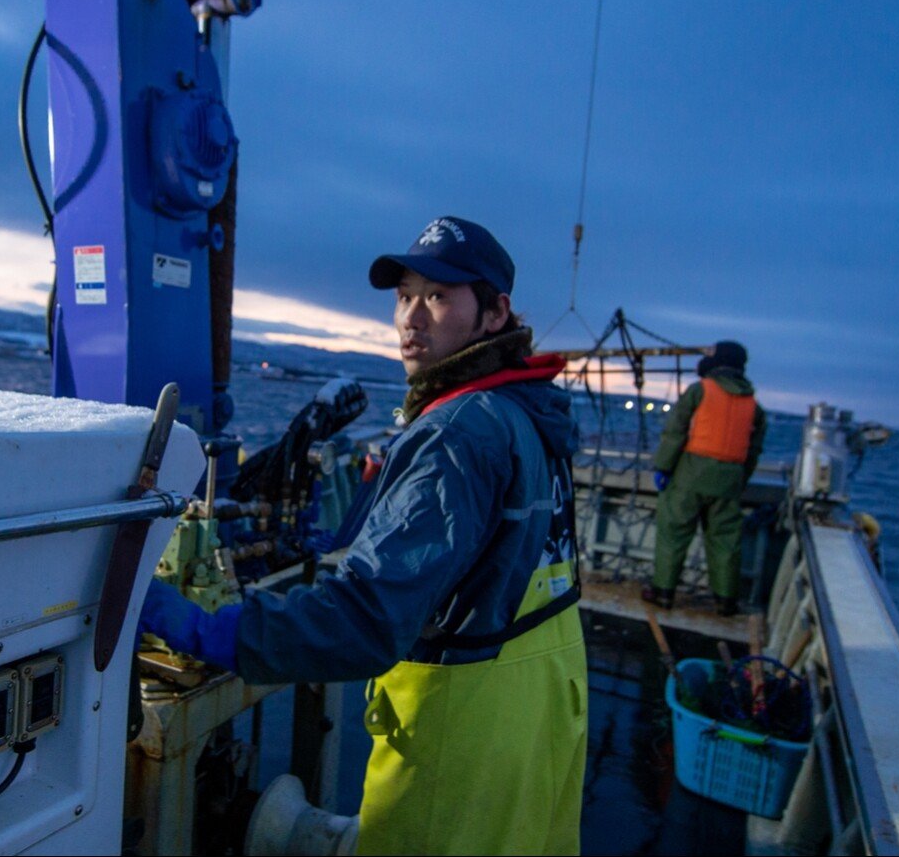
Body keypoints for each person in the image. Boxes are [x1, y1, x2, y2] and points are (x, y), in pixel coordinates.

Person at [139, 216, 585, 856]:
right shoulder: (531, 414)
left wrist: (214, 631)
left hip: (462, 746)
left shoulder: (454, 434)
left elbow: (365, 619)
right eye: (404, 297)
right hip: (543, 718)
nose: (411, 319)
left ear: (495, 312)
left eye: (438, 296)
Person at [645, 340, 766, 617]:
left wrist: (663, 467)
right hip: (730, 478)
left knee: (674, 532)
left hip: (692, 472)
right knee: (725, 540)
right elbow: (754, 450)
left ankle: (663, 592)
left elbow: (675, 431)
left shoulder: (700, 390)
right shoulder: (753, 405)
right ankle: (726, 600)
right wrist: (740, 479)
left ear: (717, 361)